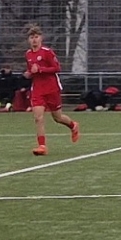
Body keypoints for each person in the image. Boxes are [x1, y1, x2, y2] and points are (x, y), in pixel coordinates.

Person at [24, 25, 80, 155]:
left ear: (41, 38)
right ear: (28, 40)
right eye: (31, 37)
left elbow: (56, 68)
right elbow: (31, 70)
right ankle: (42, 146)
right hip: (37, 90)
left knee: (58, 117)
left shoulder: (47, 52)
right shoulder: (28, 54)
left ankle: (73, 125)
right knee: (38, 118)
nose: (34, 40)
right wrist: (29, 73)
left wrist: (40, 70)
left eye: (36, 37)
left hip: (51, 88)